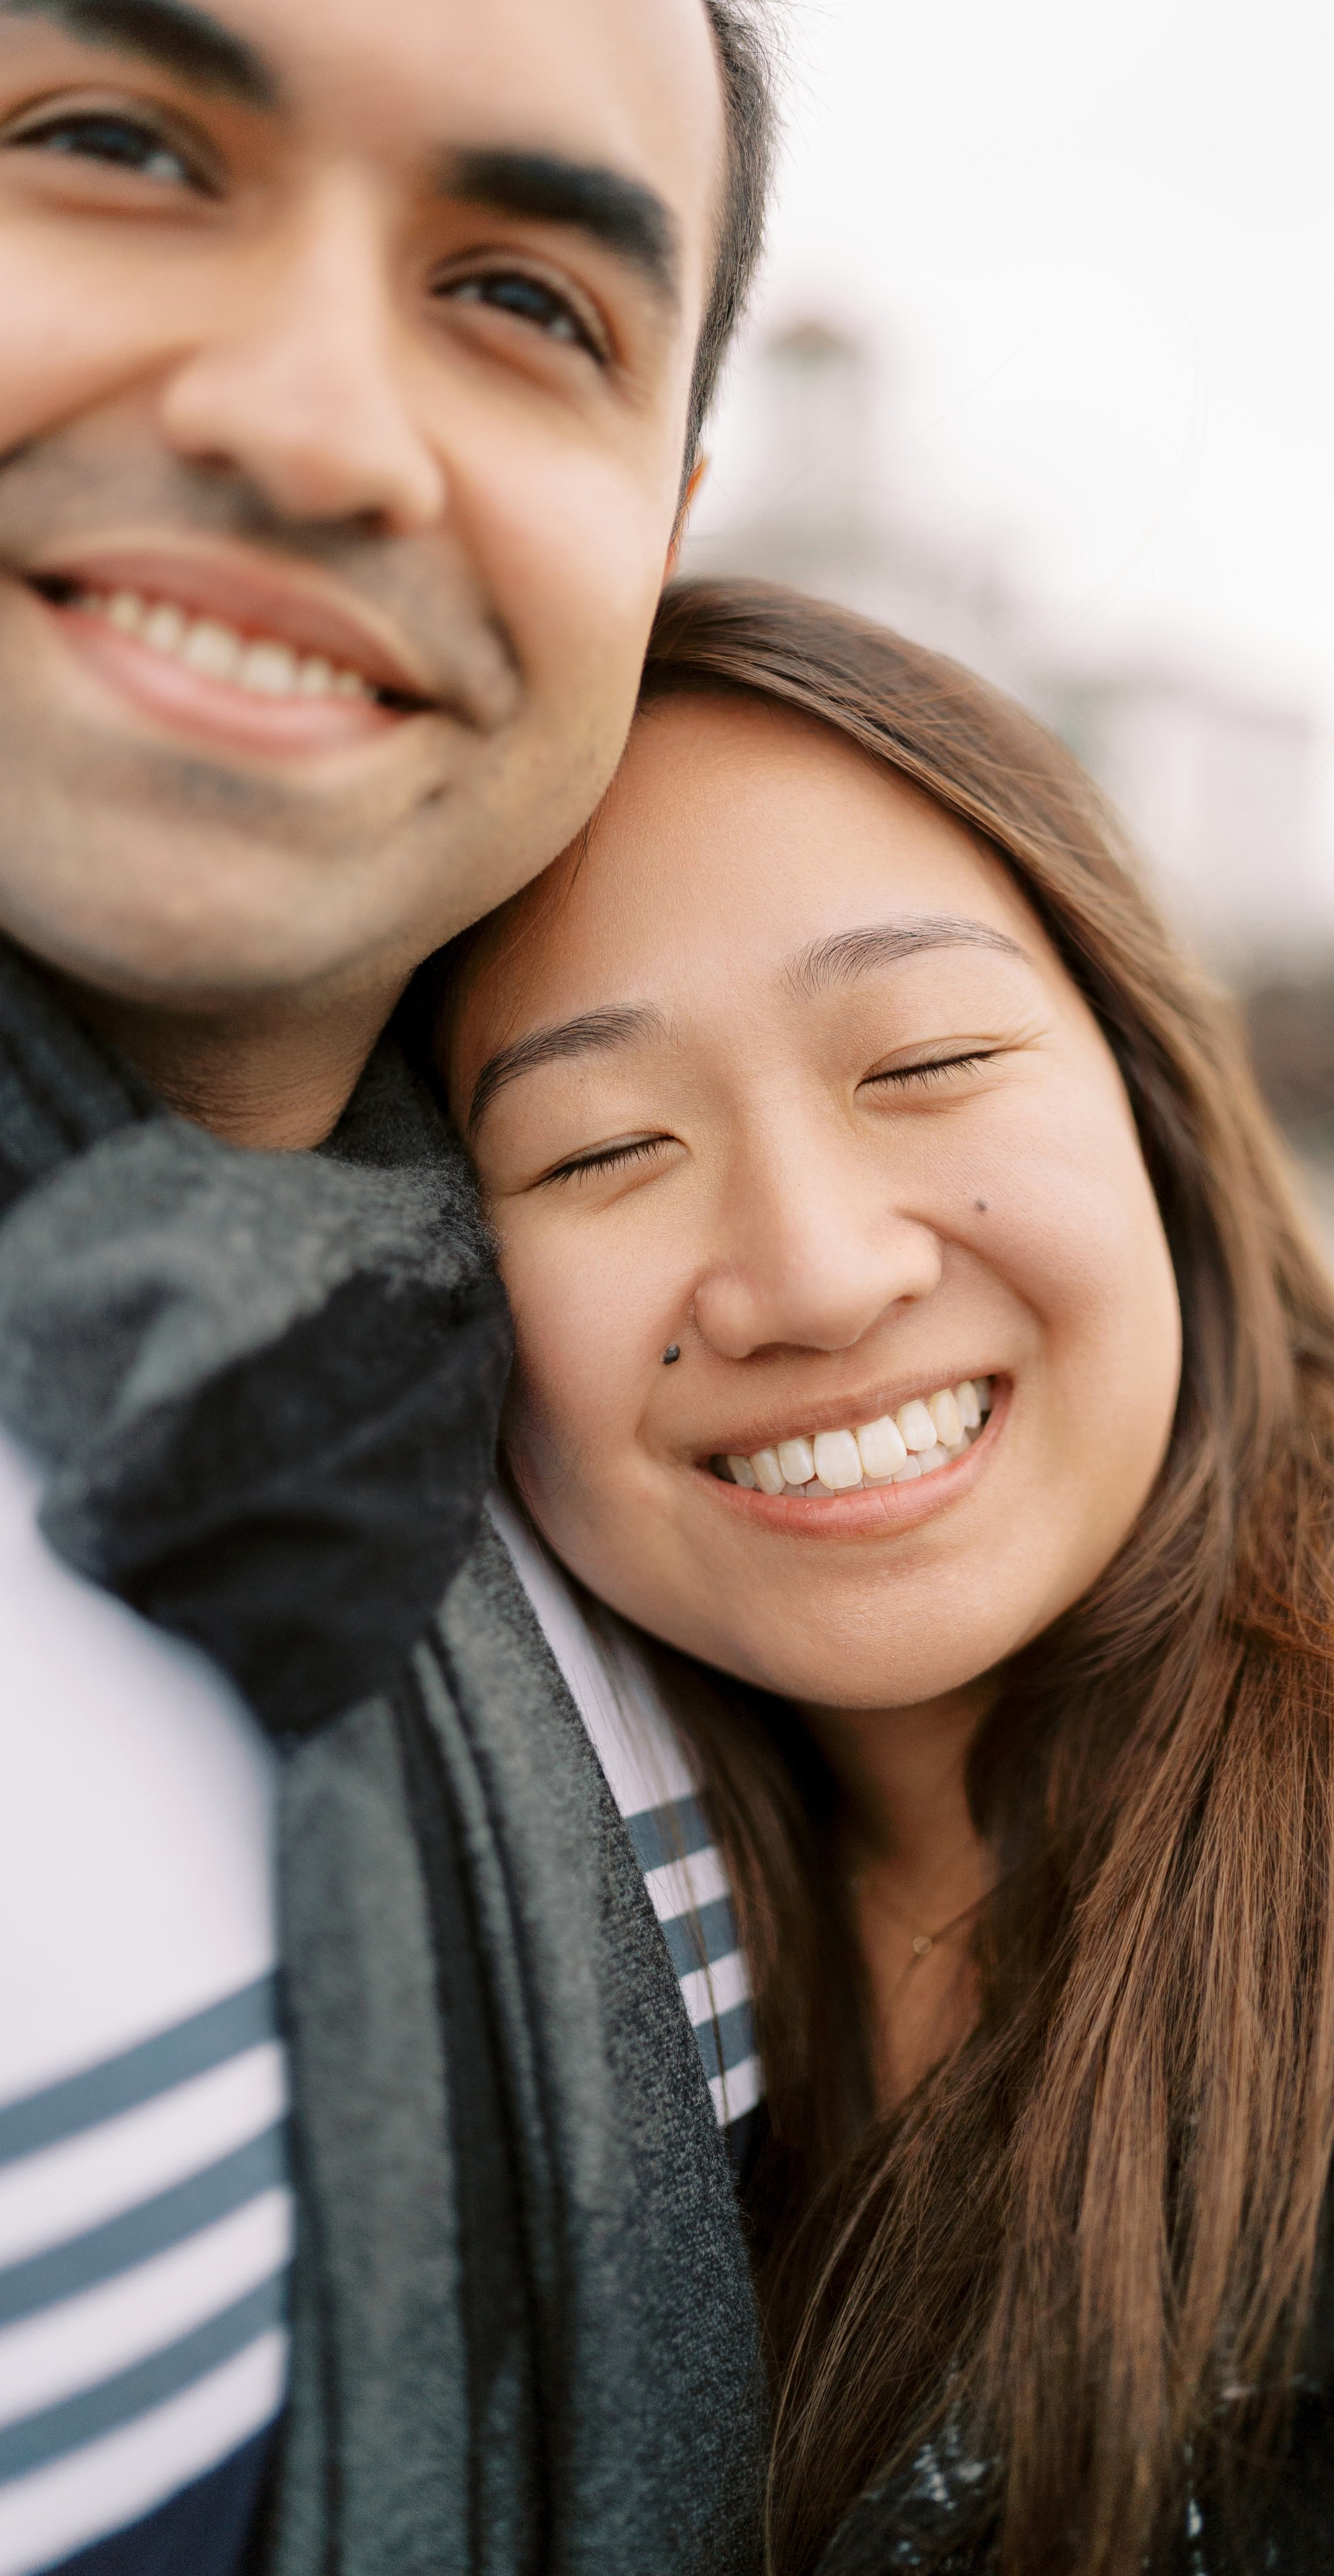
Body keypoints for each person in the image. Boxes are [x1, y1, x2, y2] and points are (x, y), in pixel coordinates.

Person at [441, 576, 1334, 2576]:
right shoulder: (459, 1953)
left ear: (1154, 1110)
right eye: (599, 1150)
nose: (816, 1274)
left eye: (928, 1060)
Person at [0, 7, 775, 2573]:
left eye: (530, 300)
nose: (321, 428)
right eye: (115, 146)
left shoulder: (686, 1454)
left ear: (663, 530)